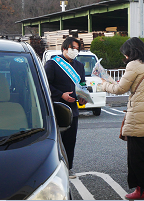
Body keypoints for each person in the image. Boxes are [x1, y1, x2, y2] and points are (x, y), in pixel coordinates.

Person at [100, 37, 144, 200]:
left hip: (138, 117)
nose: (125, 57)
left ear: (131, 52)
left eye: (126, 54)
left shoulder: (133, 65)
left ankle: (140, 190)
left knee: (137, 157)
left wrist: (104, 84)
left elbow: (120, 89)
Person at [44, 37, 87, 179]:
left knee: (70, 140)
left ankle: (69, 167)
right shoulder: (52, 64)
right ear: (64, 48)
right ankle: (53, 168)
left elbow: (82, 85)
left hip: (73, 109)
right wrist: (61, 95)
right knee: (55, 140)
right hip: (57, 108)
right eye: (73, 48)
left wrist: (83, 96)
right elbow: (45, 85)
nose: (75, 51)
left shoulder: (79, 66)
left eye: (77, 49)